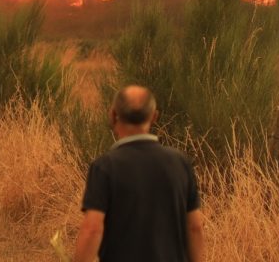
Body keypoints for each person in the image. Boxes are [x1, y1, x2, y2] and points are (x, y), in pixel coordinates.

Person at [73, 85, 205, 262]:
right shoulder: (180, 162)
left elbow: (92, 229)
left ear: (112, 115)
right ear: (154, 117)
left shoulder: (105, 167)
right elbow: (195, 227)